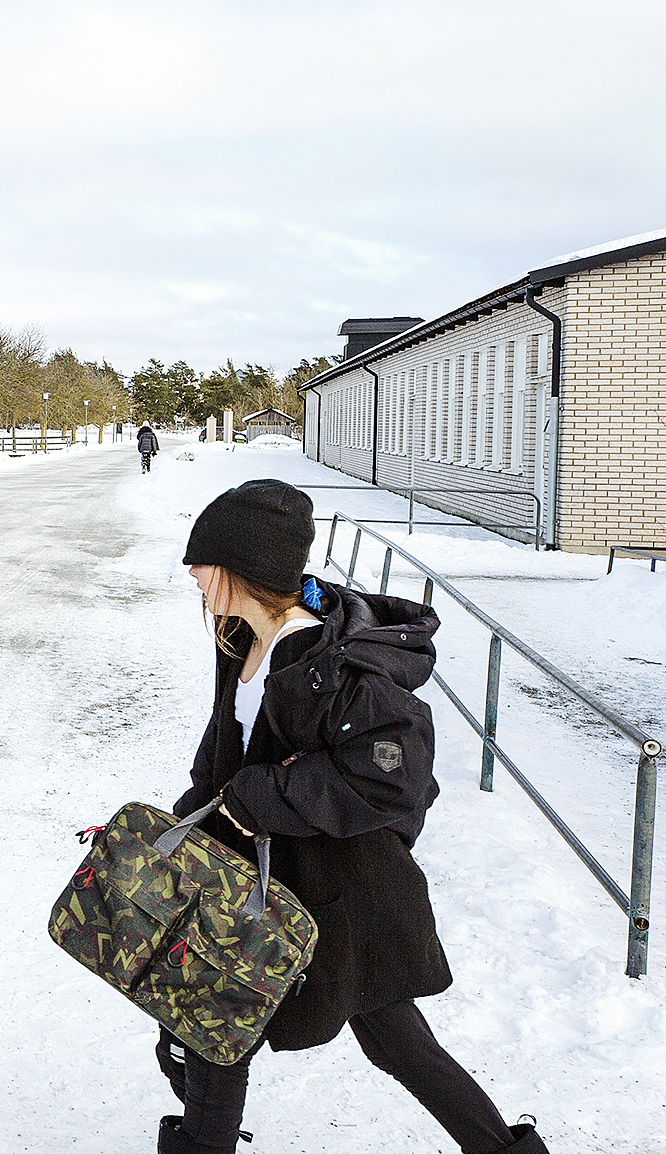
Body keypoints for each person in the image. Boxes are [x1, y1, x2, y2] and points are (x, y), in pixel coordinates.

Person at [160, 478, 549, 1154]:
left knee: (383, 1040)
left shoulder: (325, 662)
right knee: (216, 1028)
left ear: (242, 567)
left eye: (203, 561)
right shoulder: (240, 635)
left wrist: (265, 796)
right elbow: (229, 748)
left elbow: (395, 776)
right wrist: (195, 817)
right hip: (278, 882)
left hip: (350, 892)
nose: (191, 573)